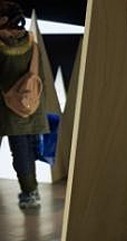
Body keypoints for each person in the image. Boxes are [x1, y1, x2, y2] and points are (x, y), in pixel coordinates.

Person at [0, 0, 47, 209]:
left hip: (3, 106)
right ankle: (30, 193)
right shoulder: (32, 44)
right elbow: (39, 78)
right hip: (24, 106)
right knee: (22, 151)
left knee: (21, 151)